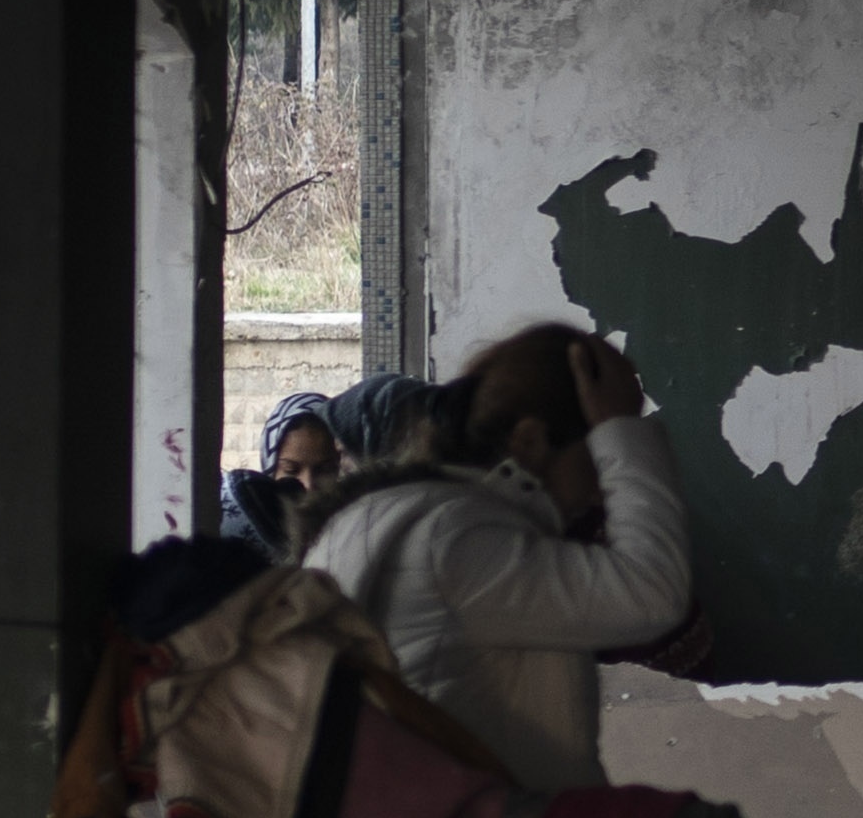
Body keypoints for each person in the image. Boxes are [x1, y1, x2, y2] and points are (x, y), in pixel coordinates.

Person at [298, 323, 695, 790]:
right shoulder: (453, 538)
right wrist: (622, 430)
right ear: (529, 441)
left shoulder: (398, 517)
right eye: (596, 455)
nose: (599, 491)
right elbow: (651, 592)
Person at [217, 390, 345, 561]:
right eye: (291, 470)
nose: (308, 485)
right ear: (270, 465)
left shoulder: (357, 535)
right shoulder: (247, 530)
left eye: (325, 470)